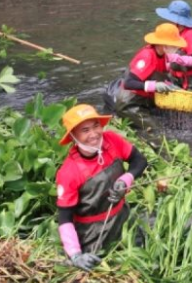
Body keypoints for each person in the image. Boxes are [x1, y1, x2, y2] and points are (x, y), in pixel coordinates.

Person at [55, 104, 148, 271]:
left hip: (122, 217)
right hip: (93, 232)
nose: (94, 134)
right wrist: (75, 254)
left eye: (96, 126)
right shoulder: (69, 172)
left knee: (140, 258)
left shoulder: (112, 140)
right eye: (85, 130)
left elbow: (139, 161)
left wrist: (126, 179)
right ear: (73, 136)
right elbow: (65, 219)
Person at [104, 23, 186, 129]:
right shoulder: (147, 56)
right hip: (130, 103)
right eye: (174, 46)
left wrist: (171, 87)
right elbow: (129, 83)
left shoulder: (163, 55)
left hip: (146, 99)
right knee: (156, 130)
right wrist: (154, 86)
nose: (177, 48)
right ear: (164, 45)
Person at [155, 0, 192, 92]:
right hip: (176, 77)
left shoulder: (191, 35)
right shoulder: (175, 34)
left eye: (171, 20)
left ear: (179, 22)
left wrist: (176, 58)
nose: (169, 22)